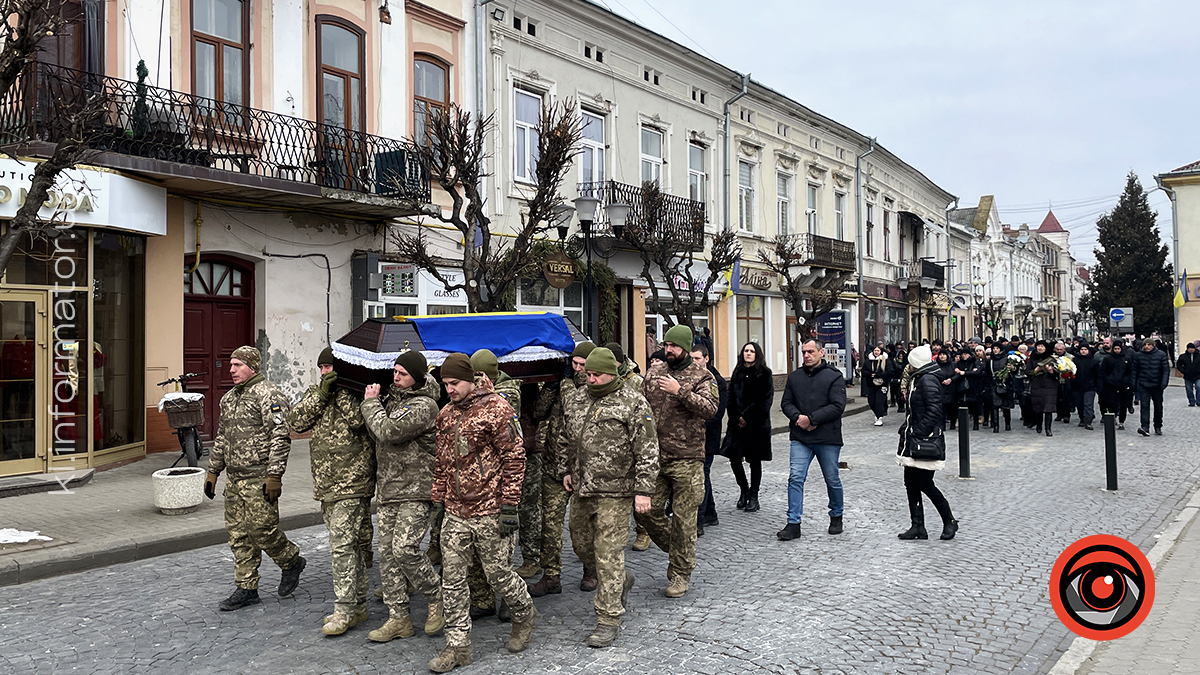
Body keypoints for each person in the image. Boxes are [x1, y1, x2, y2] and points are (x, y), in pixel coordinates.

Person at [427, 353, 535, 672]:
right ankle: (458, 647)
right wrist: (437, 501)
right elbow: (441, 463)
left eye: (455, 383)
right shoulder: (445, 414)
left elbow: (516, 458)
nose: (450, 389)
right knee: (453, 579)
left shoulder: (497, 408)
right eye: (445, 384)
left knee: (497, 574)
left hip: (490, 508)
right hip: (456, 511)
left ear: (471, 379)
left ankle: (523, 613)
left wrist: (510, 505)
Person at [559, 348, 659, 648]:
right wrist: (566, 469)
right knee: (580, 544)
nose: (590, 379)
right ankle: (620, 578)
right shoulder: (576, 399)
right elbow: (566, 436)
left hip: (617, 491)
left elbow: (648, 448)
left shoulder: (632, 401)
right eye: (587, 374)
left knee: (607, 553)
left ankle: (608, 617)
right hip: (583, 488)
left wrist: (644, 490)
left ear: (611, 373)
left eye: (596, 374)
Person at [204, 345, 306, 611]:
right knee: (238, 535)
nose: (231, 370)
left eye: (237, 365)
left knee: (262, 530)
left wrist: (274, 476)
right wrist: (213, 471)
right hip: (235, 479)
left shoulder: (269, 395)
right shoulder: (229, 398)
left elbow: (280, 437)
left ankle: (291, 560)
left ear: (252, 366)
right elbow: (223, 437)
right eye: (231, 365)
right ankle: (246, 588)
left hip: (259, 477)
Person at [287, 347, 376, 636]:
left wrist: (343, 393)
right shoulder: (317, 394)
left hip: (353, 481)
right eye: (322, 368)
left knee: (343, 546)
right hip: (326, 484)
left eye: (330, 368)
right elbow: (296, 421)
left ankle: (345, 608)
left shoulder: (354, 393)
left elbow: (360, 422)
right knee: (354, 544)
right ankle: (359, 605)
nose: (326, 373)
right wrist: (323, 395)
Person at [359, 350, 445, 643]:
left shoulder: (424, 405)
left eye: (403, 374)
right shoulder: (393, 400)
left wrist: (371, 405)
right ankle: (398, 618)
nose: (396, 378)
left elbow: (389, 431)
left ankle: (436, 596)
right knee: (388, 557)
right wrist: (378, 403)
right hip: (389, 488)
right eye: (394, 372)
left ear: (417, 378)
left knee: (405, 548)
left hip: (415, 488)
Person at [636, 324, 719, 598]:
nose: (667, 350)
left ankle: (680, 574)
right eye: (666, 345)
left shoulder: (702, 376)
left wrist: (679, 390)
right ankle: (680, 549)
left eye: (673, 346)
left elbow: (710, 409)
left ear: (684, 347)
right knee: (645, 512)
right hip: (655, 457)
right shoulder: (654, 373)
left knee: (684, 520)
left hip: (688, 458)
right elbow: (640, 406)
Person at [528, 341, 594, 596]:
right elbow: (538, 412)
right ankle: (551, 576)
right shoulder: (561, 386)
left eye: (582, 365)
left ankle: (591, 570)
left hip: (582, 470)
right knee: (550, 525)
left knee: (583, 527)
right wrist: (551, 387)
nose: (576, 369)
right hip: (554, 465)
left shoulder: (594, 388)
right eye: (573, 364)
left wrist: (566, 383)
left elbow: (573, 406)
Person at [464, 349, 521, 620]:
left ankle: (512, 600)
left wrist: (510, 502)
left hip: (498, 486)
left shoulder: (506, 395)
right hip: (472, 488)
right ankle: (483, 599)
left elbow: (512, 452)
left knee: (500, 553)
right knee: (474, 553)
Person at [778, 338, 847, 541]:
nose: (807, 355)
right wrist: (798, 418)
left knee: (832, 478)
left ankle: (836, 515)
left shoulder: (834, 376)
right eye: (804, 352)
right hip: (800, 436)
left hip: (827, 437)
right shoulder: (795, 377)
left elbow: (837, 406)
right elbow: (786, 403)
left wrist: (812, 419)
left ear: (821, 353)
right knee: (796, 478)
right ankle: (793, 523)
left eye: (810, 351)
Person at [895, 345, 958, 540]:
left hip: (925, 440)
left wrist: (919, 432)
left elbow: (934, 411)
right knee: (910, 483)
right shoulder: (919, 378)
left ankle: (949, 521)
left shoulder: (928, 380)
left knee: (925, 483)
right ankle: (917, 526)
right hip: (914, 438)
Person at [725, 342, 774, 513]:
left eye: (752, 351)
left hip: (756, 426)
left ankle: (754, 495)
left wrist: (747, 417)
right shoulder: (737, 372)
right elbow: (729, 397)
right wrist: (736, 415)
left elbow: (765, 400)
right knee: (734, 458)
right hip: (736, 425)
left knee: (754, 460)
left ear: (757, 354)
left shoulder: (765, 374)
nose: (748, 353)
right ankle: (744, 489)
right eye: (746, 350)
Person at [692, 344, 727, 533]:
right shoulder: (690, 377)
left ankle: (699, 519)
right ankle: (711, 513)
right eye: (692, 358)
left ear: (706, 358)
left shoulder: (717, 381)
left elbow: (717, 412)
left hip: (708, 436)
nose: (694, 362)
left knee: (702, 474)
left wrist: (697, 424)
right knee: (702, 474)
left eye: (697, 358)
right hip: (691, 436)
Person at [1131, 338, 1171, 436]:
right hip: (1143, 384)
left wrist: (1164, 382)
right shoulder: (1139, 356)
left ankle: (1158, 426)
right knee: (1144, 406)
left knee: (1158, 406)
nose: (1147, 347)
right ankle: (1145, 427)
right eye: (1145, 345)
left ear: (1153, 345)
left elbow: (1165, 370)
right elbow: (1134, 371)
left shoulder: (1161, 355)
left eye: (1149, 345)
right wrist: (1134, 384)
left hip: (1157, 385)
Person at [1026, 341, 1059, 436]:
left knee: (1048, 408)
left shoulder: (1051, 358)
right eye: (1038, 346)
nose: (1040, 348)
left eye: (1042, 346)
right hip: (1037, 385)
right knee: (1038, 407)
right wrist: (1035, 371)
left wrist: (1051, 371)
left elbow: (1058, 372)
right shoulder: (1033, 358)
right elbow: (1027, 372)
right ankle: (1039, 424)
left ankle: (1048, 429)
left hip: (1049, 386)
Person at [1098, 341, 1132, 429]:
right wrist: (1107, 380)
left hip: (1123, 384)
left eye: (1118, 349)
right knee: (1111, 402)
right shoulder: (1108, 358)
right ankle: (1113, 417)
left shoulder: (1126, 358)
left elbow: (1130, 371)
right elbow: (1103, 371)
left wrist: (1127, 380)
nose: (1117, 351)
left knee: (1123, 403)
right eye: (1115, 349)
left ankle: (1121, 421)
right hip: (1110, 384)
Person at [986, 345, 1016, 433]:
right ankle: (996, 426)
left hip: (1006, 384)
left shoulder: (1007, 359)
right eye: (994, 349)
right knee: (995, 405)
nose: (995, 350)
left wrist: (1013, 368)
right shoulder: (990, 361)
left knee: (1006, 406)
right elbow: (987, 372)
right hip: (994, 384)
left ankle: (1007, 424)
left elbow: (1014, 372)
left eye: (997, 348)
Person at [1071, 344, 1098, 431]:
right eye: (1082, 349)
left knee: (1088, 404)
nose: (1083, 351)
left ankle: (1088, 421)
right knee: (1079, 404)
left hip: (1090, 386)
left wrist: (1097, 386)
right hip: (1077, 386)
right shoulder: (1075, 361)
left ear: (1088, 350)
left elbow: (1098, 374)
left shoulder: (1093, 361)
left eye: (1085, 349)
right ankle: (1082, 418)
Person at [862, 346, 890, 426]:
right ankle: (876, 414)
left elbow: (889, 371)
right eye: (875, 350)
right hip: (871, 384)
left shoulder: (885, 360)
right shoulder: (868, 361)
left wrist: (879, 375)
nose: (876, 352)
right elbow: (864, 371)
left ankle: (880, 416)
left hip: (882, 384)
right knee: (871, 401)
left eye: (878, 350)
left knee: (879, 401)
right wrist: (870, 374)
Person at [935, 349, 958, 430]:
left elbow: (957, 374)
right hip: (940, 388)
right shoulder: (936, 365)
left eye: (944, 355)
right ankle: (942, 424)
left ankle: (952, 423)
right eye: (940, 354)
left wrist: (951, 379)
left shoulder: (952, 364)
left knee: (952, 407)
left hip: (951, 388)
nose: (942, 356)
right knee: (942, 408)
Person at [1053, 342, 1074, 424]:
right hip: (1055, 379)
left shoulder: (1070, 357)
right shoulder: (1052, 357)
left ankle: (1066, 415)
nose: (1059, 351)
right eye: (1057, 349)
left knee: (1067, 398)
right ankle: (1059, 414)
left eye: (1061, 349)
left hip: (1067, 380)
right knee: (1057, 398)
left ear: (1064, 349)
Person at [1179, 342, 1200, 407]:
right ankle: (1191, 401)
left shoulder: (1199, 356)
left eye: (1192, 348)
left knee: (1199, 387)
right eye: (1189, 348)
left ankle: (1198, 401)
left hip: (1198, 375)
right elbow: (1179, 365)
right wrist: (1183, 371)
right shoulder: (1183, 356)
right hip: (1188, 376)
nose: (1190, 349)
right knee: (1189, 389)